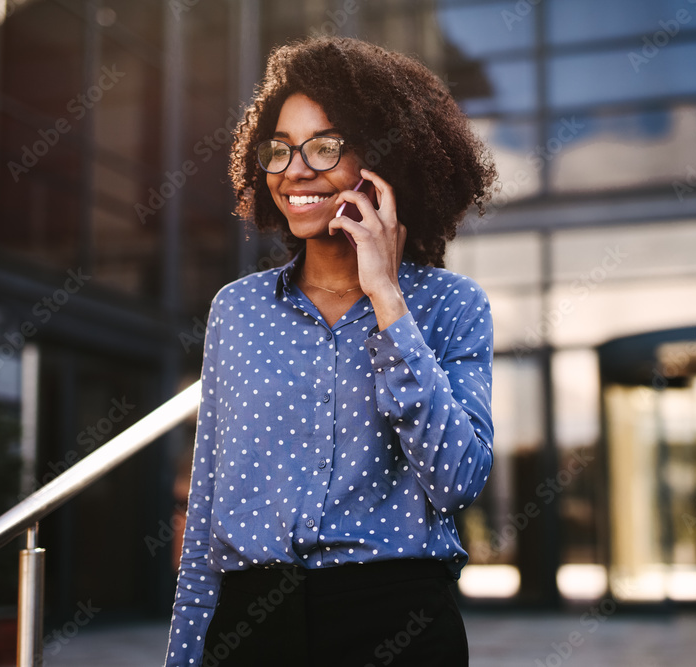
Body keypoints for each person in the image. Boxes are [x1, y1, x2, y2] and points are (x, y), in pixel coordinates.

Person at [164, 36, 497, 667]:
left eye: (325, 146)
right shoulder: (237, 311)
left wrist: (387, 300)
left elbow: (458, 481)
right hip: (251, 628)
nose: (294, 170)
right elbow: (207, 512)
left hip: (395, 620)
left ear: (385, 159)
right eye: (280, 149)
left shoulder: (452, 306)